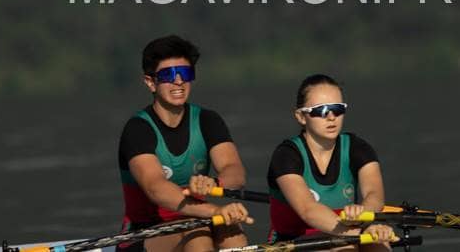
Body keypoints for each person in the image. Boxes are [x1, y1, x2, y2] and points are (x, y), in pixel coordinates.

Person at [118, 35, 251, 251]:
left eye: (185, 73)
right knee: (196, 234)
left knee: (231, 230)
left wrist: (215, 183)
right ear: (150, 82)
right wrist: (215, 211)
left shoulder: (208, 120)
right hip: (142, 234)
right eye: (168, 75)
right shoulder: (138, 130)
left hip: (196, 220)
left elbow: (235, 173)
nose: (179, 81)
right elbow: (156, 189)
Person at [267, 74, 398, 250]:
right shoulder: (286, 155)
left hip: (346, 232)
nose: (331, 117)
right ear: (301, 116)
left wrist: (364, 216)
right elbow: (308, 210)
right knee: (347, 246)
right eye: (320, 110)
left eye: (337, 109)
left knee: (378, 243)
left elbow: (374, 196)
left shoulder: (358, 148)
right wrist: (358, 233)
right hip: (292, 242)